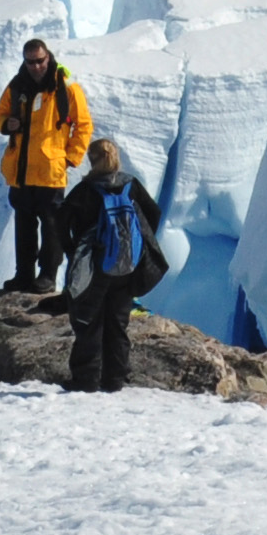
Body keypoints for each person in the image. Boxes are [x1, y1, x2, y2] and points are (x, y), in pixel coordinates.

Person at [54, 139, 168, 395]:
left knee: (89, 320)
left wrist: (73, 249)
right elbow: (154, 212)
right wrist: (138, 243)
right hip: (127, 266)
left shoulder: (86, 189)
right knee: (118, 323)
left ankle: (86, 379)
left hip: (95, 266)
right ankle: (115, 378)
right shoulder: (130, 184)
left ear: (92, 160)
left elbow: (61, 219)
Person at [0, 38, 93, 293]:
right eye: (31, 62)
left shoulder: (66, 88)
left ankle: (47, 275)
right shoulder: (17, 86)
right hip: (21, 169)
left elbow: (83, 125)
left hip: (50, 170)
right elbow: (0, 114)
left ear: (48, 57)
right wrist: (7, 124)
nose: (36, 66)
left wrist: (71, 157)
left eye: (40, 61)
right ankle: (24, 275)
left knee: (52, 226)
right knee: (24, 224)